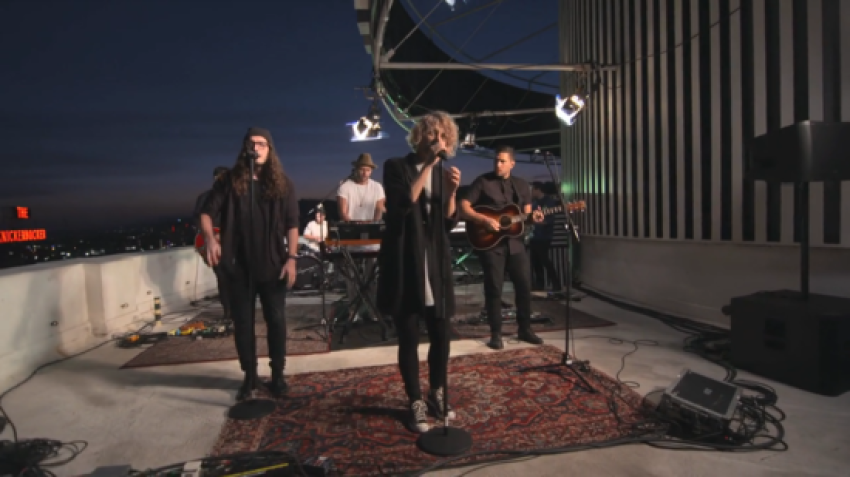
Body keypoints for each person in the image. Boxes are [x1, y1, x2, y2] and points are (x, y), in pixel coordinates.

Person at [377, 111, 462, 433]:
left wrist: (452, 192)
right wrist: (428, 166)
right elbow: (402, 204)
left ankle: (436, 392)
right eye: (432, 133)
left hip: (435, 260)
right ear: (419, 136)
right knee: (409, 336)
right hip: (405, 260)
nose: (437, 140)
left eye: (443, 135)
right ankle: (415, 399)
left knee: (441, 334)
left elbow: (448, 221)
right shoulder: (396, 166)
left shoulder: (442, 173)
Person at [200, 127, 299, 401]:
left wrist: (292, 258)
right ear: (245, 148)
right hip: (239, 265)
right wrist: (210, 239)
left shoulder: (283, 184)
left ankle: (277, 375)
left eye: (262, 144)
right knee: (243, 323)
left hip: (272, 263)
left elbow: (292, 224)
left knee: (276, 320)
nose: (256, 148)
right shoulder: (229, 181)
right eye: (251, 143)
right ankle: (250, 376)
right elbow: (206, 213)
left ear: (270, 149)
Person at [460, 145, 545, 350]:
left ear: (512, 164)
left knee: (524, 286)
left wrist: (534, 218)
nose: (498, 164)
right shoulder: (483, 182)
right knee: (494, 289)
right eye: (496, 160)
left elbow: (526, 215)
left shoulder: (522, 185)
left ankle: (525, 329)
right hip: (491, 244)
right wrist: (484, 220)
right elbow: (463, 206)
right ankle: (495, 334)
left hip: (516, 244)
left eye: (502, 161)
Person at [336, 153, 385, 319]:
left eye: (368, 170)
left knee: (373, 277)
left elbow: (379, 209)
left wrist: (373, 224)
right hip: (351, 238)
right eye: (362, 169)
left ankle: (373, 310)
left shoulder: (377, 187)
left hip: (371, 240)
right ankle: (354, 311)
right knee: (352, 277)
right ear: (356, 169)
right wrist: (352, 223)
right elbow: (343, 212)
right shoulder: (345, 186)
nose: (365, 173)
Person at [193, 166, 232, 320]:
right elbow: (199, 220)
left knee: (223, 278)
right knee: (227, 277)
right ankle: (230, 311)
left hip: (219, 242)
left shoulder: (203, 197)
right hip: (221, 242)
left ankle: (229, 311)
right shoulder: (226, 197)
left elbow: (198, 221)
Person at [529, 182, 562, 292]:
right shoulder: (534, 203)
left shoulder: (549, 202)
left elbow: (549, 221)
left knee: (545, 260)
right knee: (535, 261)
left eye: (532, 189)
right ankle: (539, 284)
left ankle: (556, 284)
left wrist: (537, 222)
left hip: (544, 236)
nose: (531, 192)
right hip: (534, 236)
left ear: (538, 189)